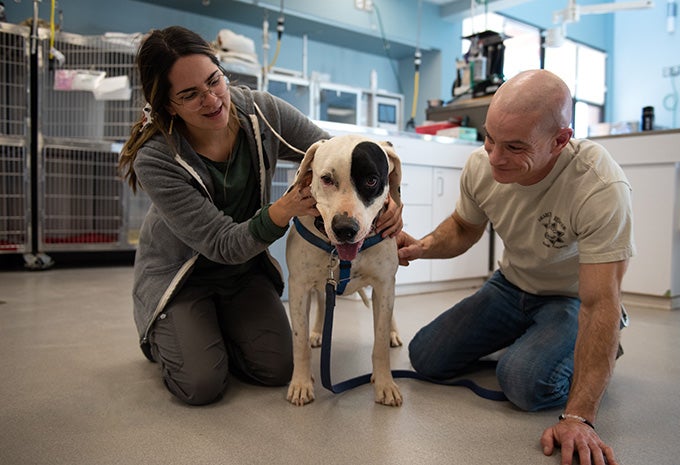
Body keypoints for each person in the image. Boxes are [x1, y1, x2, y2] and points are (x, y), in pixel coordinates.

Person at [119, 26, 402, 406]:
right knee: (201, 385)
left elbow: (336, 154)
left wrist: (388, 202)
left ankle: (217, 329)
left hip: (242, 273)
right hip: (183, 276)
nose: (212, 99)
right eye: (190, 95)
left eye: (213, 81)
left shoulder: (262, 113)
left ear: (222, 71)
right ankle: (177, 330)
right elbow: (220, 243)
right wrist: (282, 211)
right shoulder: (156, 158)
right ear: (168, 104)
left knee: (275, 368)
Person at [396, 69, 634, 465]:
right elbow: (463, 227)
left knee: (522, 383)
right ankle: (541, 341)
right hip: (509, 286)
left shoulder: (599, 186)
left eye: (514, 147)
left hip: (570, 299)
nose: (494, 158)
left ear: (560, 140)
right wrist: (423, 247)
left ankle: (592, 347)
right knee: (426, 356)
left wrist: (579, 417)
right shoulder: (481, 165)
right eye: (490, 139)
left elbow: (600, 303)